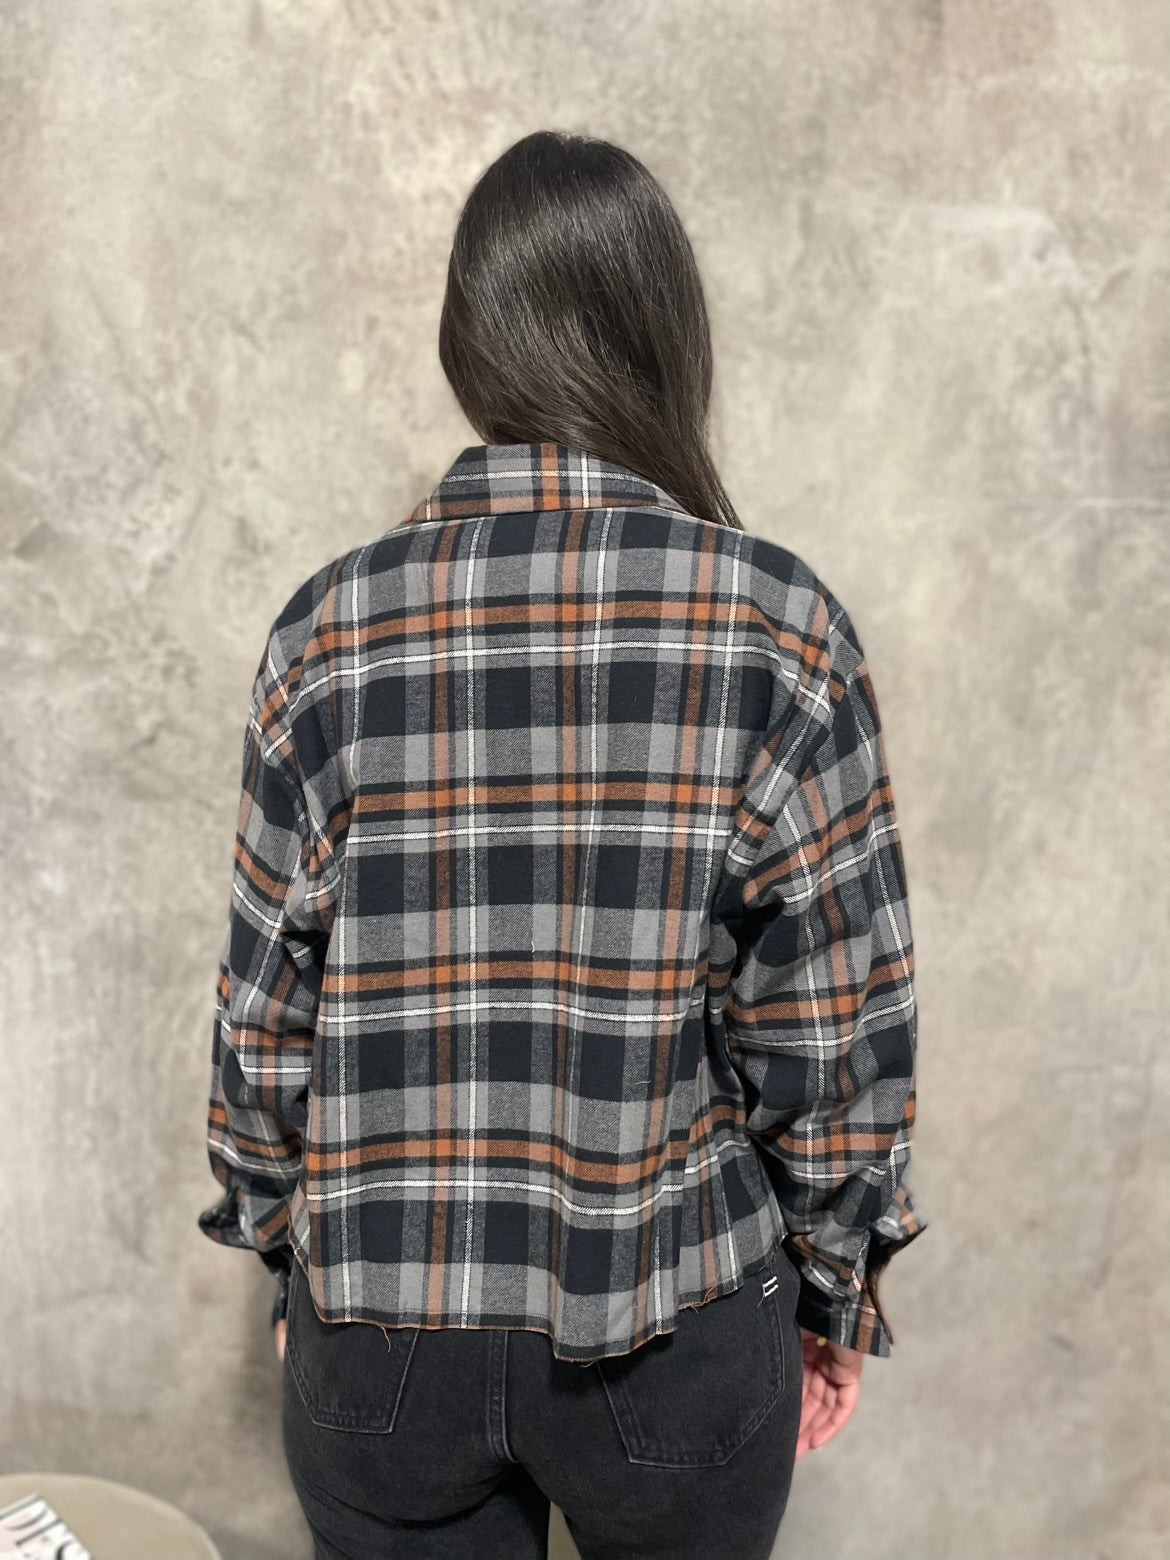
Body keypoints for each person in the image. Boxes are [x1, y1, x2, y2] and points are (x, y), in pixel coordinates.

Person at [197, 128, 928, 1560]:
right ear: (665, 339)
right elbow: (837, 1027)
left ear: (469, 342)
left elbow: (263, 1014)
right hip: (669, 1319)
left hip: (381, 1333)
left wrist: (288, 1252)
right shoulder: (777, 631)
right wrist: (838, 1283)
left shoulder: (325, 632)